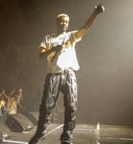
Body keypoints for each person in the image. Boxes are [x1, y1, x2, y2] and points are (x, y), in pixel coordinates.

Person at [29, 3, 105, 144]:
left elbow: (85, 28)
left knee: (71, 106)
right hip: (53, 74)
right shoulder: (48, 38)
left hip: (69, 74)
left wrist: (95, 13)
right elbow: (40, 56)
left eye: (66, 21)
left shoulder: (71, 36)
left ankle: (67, 138)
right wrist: (55, 49)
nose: (64, 23)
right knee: (46, 106)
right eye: (62, 21)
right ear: (57, 22)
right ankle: (40, 134)